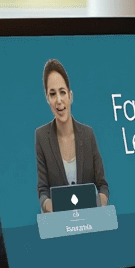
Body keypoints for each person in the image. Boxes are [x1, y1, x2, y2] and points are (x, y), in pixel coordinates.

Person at [36, 59, 109, 212]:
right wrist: (53, 207)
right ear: (47, 99)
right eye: (52, 94)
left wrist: (99, 204)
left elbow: (102, 186)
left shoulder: (88, 134)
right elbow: (43, 191)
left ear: (70, 96)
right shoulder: (41, 137)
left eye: (62, 92)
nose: (59, 100)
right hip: (60, 224)